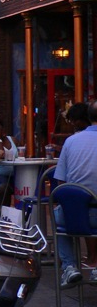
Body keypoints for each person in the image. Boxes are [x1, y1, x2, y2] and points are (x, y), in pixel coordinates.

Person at [53, 100, 97, 286]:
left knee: (55, 214)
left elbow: (61, 185)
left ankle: (70, 266)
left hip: (73, 215)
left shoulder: (71, 142)